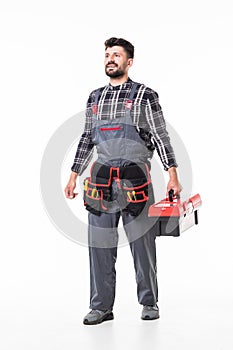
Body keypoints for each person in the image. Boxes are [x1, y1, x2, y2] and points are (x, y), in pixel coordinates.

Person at [64, 37, 182, 325]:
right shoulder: (94, 97)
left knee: (143, 244)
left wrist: (173, 174)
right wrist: (73, 175)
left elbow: (161, 136)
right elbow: (86, 139)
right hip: (101, 183)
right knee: (100, 246)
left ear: (129, 61)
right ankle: (101, 306)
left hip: (135, 182)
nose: (110, 59)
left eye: (116, 55)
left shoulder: (145, 95)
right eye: (107, 55)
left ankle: (149, 301)